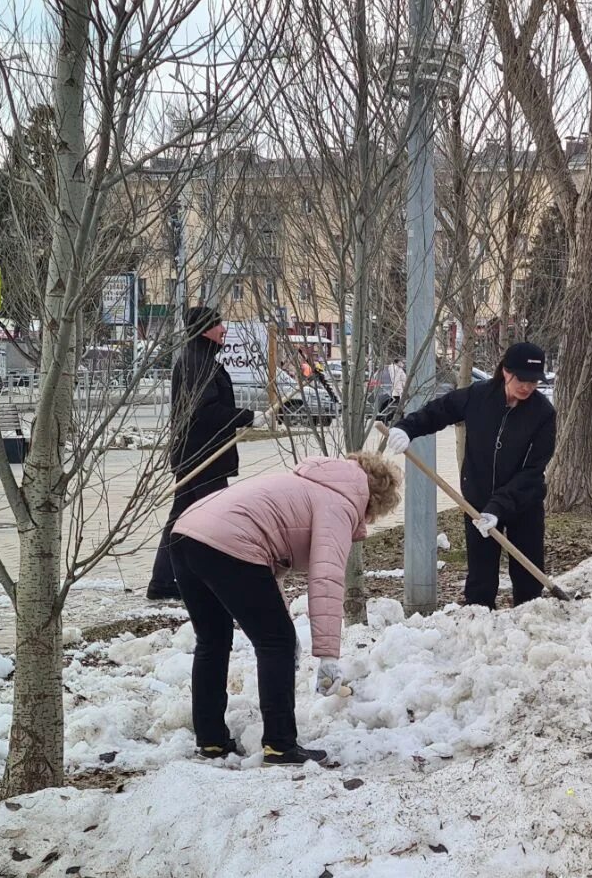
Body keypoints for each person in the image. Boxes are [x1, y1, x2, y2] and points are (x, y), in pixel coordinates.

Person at [171, 452, 401, 765]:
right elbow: (327, 577)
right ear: (374, 500)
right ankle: (280, 746)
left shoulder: (305, 483)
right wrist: (328, 654)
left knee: (213, 639)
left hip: (186, 532)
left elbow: (265, 570)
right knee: (275, 642)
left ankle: (210, 741)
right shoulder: (340, 503)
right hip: (228, 541)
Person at [385, 342, 557, 608]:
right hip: (477, 502)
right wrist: (407, 429)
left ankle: (527, 626)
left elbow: (533, 471)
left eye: (534, 381)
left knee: (528, 575)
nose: (527, 387)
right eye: (522, 379)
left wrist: (498, 508)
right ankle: (477, 624)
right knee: (481, 579)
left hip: (524, 502)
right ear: (505, 371)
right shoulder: (477, 397)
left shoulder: (543, 413)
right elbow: (439, 411)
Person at [146, 306, 258, 601]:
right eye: (218, 324)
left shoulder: (202, 358)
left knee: (182, 517)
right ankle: (218, 579)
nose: (224, 329)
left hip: (196, 453)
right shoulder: (198, 362)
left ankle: (163, 581)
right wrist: (247, 417)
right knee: (215, 519)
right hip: (202, 457)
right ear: (205, 329)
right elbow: (204, 412)